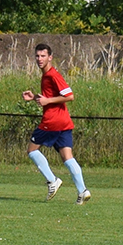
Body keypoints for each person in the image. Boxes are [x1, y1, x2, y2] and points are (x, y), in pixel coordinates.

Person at [22, 43, 91, 204]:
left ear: (50, 57)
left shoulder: (52, 75)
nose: (40, 59)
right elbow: (50, 98)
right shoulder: (46, 76)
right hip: (64, 122)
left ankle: (52, 181)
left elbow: (69, 96)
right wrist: (35, 97)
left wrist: (47, 101)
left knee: (32, 150)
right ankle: (82, 191)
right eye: (37, 56)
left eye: (43, 56)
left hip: (52, 121)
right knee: (67, 156)